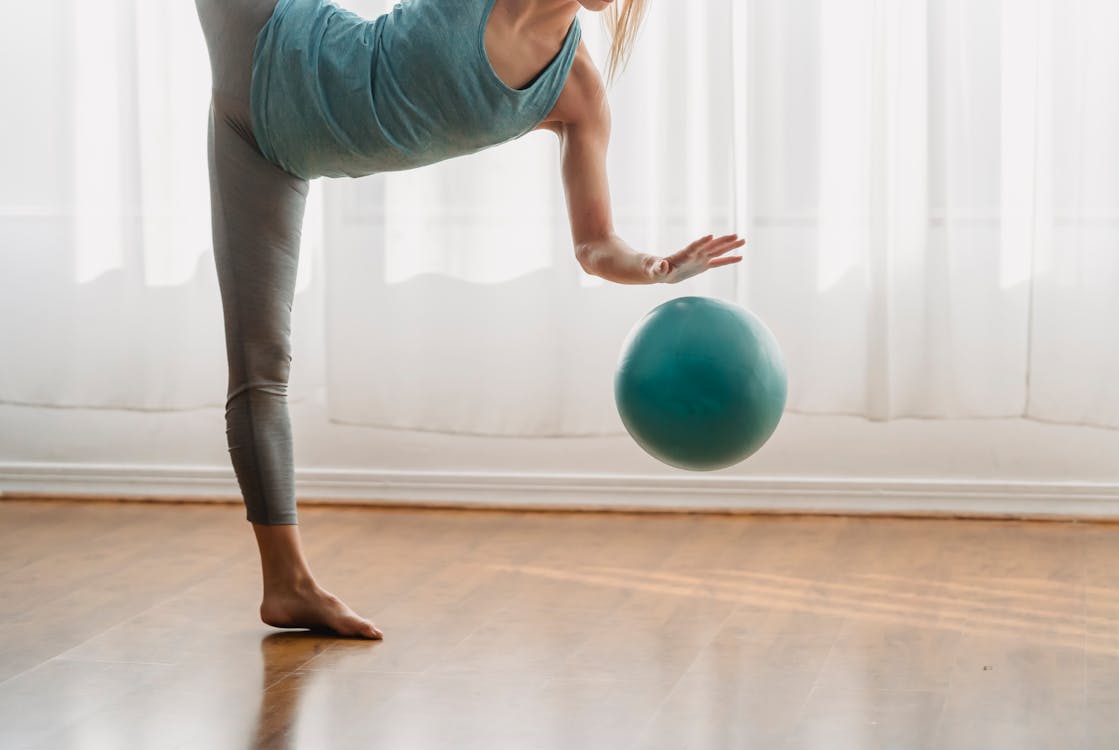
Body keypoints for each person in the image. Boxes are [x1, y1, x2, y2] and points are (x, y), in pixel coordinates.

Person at [193, 0, 746, 640]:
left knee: (262, 365)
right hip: (260, 27)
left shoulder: (576, 91)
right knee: (261, 366)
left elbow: (595, 245)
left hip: (263, 147)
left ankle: (287, 586)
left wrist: (654, 267)